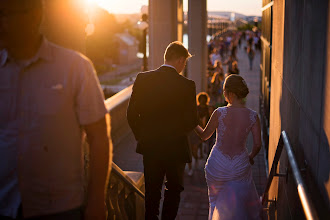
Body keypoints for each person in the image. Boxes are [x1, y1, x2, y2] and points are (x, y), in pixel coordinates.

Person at [0, 1, 112, 219]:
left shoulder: (75, 67)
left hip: (61, 208)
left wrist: (97, 198)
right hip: (5, 203)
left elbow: (98, 135)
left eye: (6, 13)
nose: (2, 22)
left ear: (35, 15)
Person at [127, 41, 198, 220]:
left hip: (150, 146)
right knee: (173, 191)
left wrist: (142, 137)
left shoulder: (143, 78)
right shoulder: (187, 85)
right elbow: (192, 121)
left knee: (152, 191)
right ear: (181, 60)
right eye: (185, 62)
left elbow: (131, 114)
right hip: (176, 148)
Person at [194, 75, 262, 219]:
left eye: (224, 92)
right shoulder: (253, 116)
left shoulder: (219, 113)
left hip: (218, 164)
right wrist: (250, 157)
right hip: (240, 165)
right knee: (240, 201)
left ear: (230, 94)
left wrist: (193, 124)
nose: (224, 95)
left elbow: (205, 135)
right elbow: (257, 145)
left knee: (215, 202)